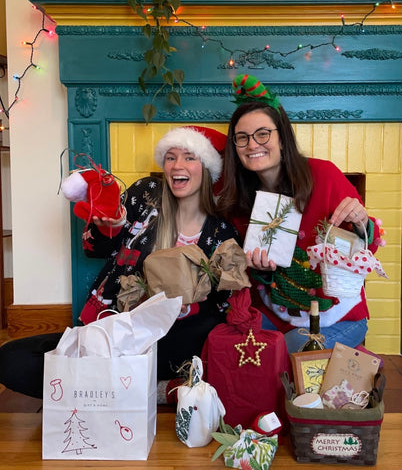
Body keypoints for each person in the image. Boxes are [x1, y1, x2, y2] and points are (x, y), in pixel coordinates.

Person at [0, 125, 240, 399]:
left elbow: (224, 305)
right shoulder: (146, 193)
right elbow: (93, 248)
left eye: (188, 157)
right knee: (11, 358)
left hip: (175, 341)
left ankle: (115, 388)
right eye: (171, 157)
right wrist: (108, 226)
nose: (177, 165)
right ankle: (150, 391)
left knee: (207, 333)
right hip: (117, 330)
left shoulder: (221, 232)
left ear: (207, 168)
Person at [217, 74, 382, 354]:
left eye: (263, 134)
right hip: (273, 313)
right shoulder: (239, 201)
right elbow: (247, 277)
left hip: (335, 316)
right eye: (242, 138)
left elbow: (369, 246)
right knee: (235, 348)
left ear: (282, 138)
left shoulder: (324, 176)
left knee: (295, 352)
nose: (252, 145)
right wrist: (260, 270)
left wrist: (362, 222)